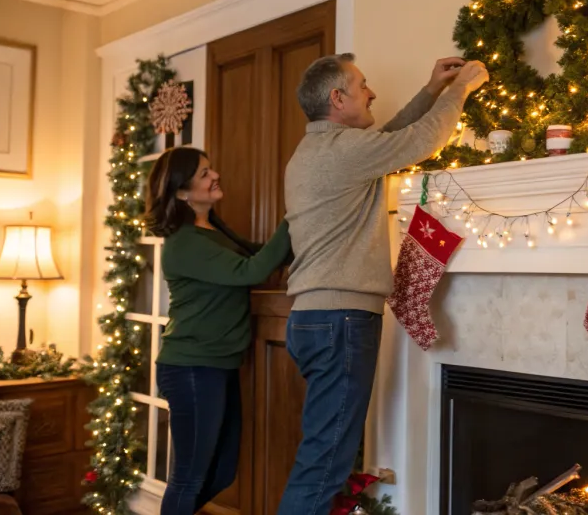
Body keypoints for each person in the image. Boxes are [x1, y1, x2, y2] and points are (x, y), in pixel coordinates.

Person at [278, 55, 489, 514]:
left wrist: (432, 88)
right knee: (323, 467)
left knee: (322, 459)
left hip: (317, 319)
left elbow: (389, 139)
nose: (371, 92)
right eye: (362, 85)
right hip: (341, 321)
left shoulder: (322, 151)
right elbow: (420, 141)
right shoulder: (345, 153)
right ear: (338, 98)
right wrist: (462, 88)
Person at [144, 146, 291, 515]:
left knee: (222, 472)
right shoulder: (184, 243)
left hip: (217, 365)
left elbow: (259, 254)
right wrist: (294, 217)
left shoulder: (212, 229)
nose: (215, 176)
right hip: (192, 368)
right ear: (181, 192)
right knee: (189, 478)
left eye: (211, 169)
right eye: (205, 174)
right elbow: (251, 271)